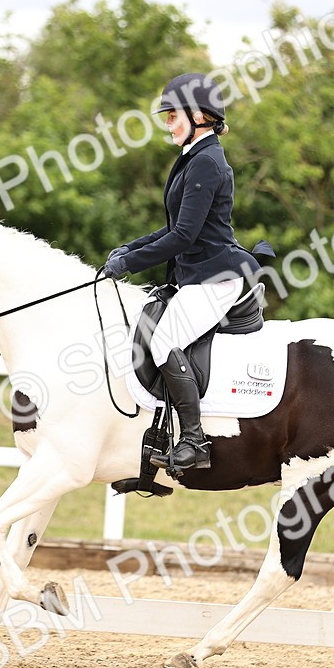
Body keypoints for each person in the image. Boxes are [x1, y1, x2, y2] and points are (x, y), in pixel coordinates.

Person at [103, 72, 265, 471]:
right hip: (197, 272)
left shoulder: (207, 162)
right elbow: (173, 227)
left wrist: (130, 263)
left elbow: (183, 236)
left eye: (172, 116)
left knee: (161, 343)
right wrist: (131, 248)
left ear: (199, 116)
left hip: (216, 277)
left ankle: (195, 441)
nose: (167, 124)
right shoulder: (193, 157)